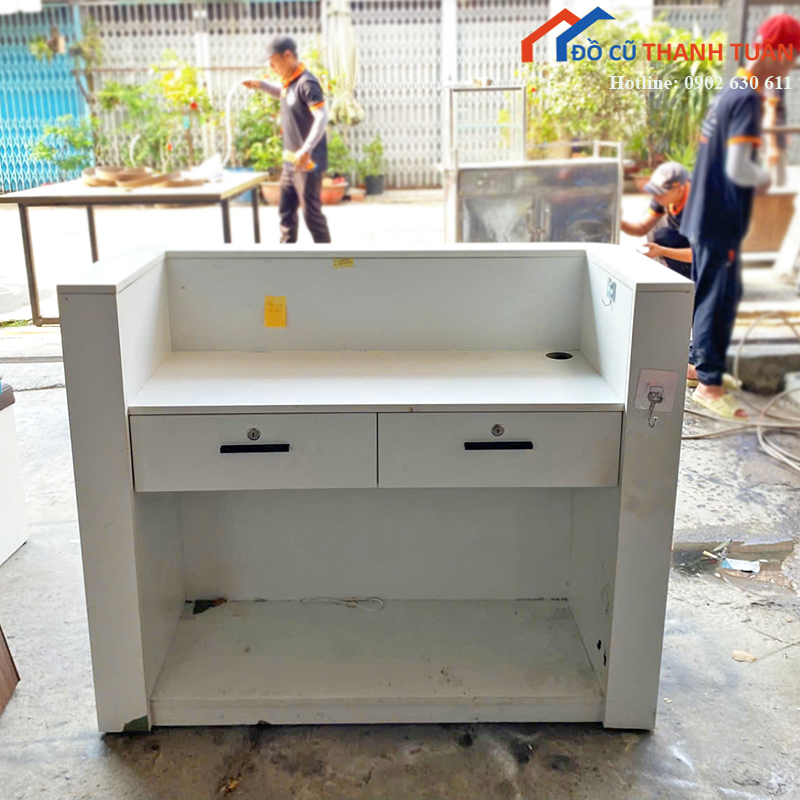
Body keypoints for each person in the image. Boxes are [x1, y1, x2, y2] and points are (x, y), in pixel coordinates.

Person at [679, 13, 800, 420]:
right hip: (719, 219)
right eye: (790, 59)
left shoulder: (731, 89)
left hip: (703, 213)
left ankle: (697, 366)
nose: (788, 69)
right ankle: (709, 385)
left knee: (710, 292)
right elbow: (739, 168)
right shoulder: (748, 97)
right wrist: (763, 178)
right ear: (776, 52)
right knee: (718, 298)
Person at [243, 36, 331, 244]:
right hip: (291, 163)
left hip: (308, 163)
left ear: (288, 55)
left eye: (273, 61)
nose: (271, 66)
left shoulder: (307, 82)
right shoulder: (289, 81)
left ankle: (334, 261)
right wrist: (262, 85)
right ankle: (286, 255)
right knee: (286, 215)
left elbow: (322, 116)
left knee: (312, 217)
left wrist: (306, 148)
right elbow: (284, 94)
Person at [621, 161, 692, 279]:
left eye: (659, 193)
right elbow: (642, 228)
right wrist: (619, 222)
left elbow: (700, 254)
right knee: (662, 233)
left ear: (678, 190)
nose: (655, 197)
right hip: (689, 239)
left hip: (714, 255)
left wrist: (663, 251)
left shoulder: (700, 208)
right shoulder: (664, 197)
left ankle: (689, 280)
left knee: (665, 236)